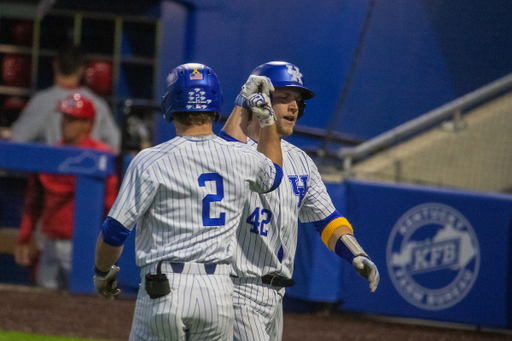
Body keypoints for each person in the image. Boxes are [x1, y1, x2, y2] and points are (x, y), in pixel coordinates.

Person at [93, 63, 284, 341]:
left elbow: (115, 231)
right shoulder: (241, 157)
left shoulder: (149, 160)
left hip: (165, 287)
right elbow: (274, 176)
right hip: (218, 292)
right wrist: (267, 119)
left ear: (170, 104)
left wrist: (102, 272)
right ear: (215, 103)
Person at [220, 61, 380, 341]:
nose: (294, 107)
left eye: (298, 101)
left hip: (276, 296)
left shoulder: (301, 162)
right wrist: (241, 102)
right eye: (283, 99)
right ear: (261, 102)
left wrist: (356, 253)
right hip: (235, 290)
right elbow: (224, 152)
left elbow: (327, 220)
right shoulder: (234, 150)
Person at [14, 93, 118, 290]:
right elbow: (34, 201)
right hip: (49, 243)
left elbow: (110, 207)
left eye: (73, 119)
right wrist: (25, 237)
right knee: (45, 302)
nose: (66, 123)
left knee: (84, 303)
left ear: (88, 124)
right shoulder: (51, 155)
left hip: (83, 245)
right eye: (65, 117)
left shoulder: (100, 156)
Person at [9, 43, 121, 154]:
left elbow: (16, 140)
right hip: (86, 167)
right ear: (82, 69)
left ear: (55, 65)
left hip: (56, 166)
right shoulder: (97, 103)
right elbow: (115, 145)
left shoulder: (42, 100)